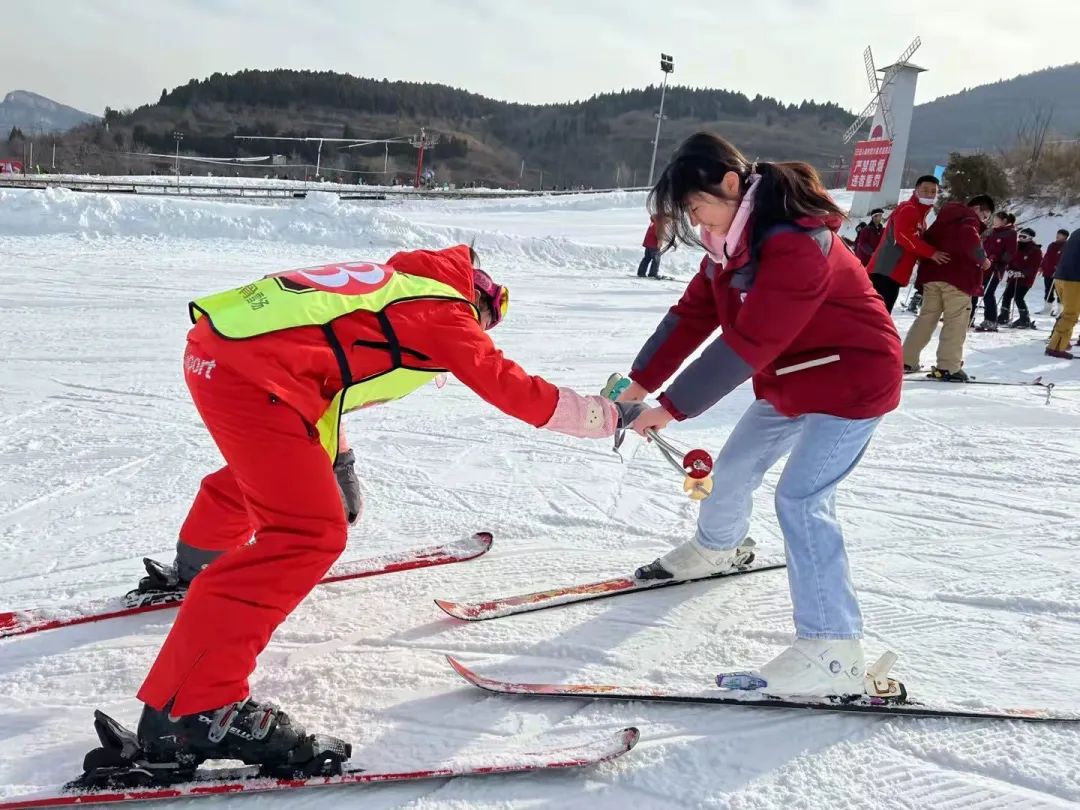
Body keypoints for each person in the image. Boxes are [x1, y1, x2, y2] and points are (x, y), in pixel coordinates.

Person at [115, 245, 638, 773]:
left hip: (223, 354)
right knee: (307, 533)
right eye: (487, 319)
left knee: (272, 478)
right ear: (476, 297)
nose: (483, 331)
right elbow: (517, 391)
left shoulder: (394, 285)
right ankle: (196, 709)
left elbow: (323, 370)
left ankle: (198, 562)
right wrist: (609, 416)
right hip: (250, 377)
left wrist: (338, 460)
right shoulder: (445, 311)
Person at [616, 132, 903, 700]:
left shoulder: (797, 244)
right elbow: (691, 317)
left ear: (729, 184)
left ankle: (834, 650)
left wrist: (669, 408)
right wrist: (636, 384)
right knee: (732, 470)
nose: (696, 222)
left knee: (801, 498)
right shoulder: (728, 246)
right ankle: (718, 547)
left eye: (696, 207)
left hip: (852, 381)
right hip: (791, 383)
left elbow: (750, 341)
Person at [902, 195, 995, 381]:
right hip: (957, 278)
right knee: (956, 321)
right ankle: (948, 366)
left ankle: (906, 359)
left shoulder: (944, 219)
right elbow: (969, 237)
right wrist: (982, 259)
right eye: (985, 216)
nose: (984, 220)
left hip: (933, 276)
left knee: (926, 318)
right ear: (978, 209)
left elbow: (926, 240)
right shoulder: (969, 220)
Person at [865, 175, 949, 313]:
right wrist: (931, 253)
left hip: (895, 273)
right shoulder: (908, 208)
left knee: (880, 314)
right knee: (877, 315)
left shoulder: (922, 219)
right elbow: (903, 236)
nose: (929, 194)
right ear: (916, 190)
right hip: (886, 270)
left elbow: (914, 245)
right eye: (925, 190)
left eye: (933, 191)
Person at [974, 211, 1017, 331]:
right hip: (984, 265)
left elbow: (1011, 252)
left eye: (997, 219)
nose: (994, 221)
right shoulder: (993, 232)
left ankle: (991, 320)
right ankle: (969, 316)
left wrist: (999, 261)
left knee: (988, 293)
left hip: (996, 268)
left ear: (1004, 221)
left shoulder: (1010, 233)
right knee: (975, 290)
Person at [999, 228, 1042, 328]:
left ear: (1030, 238)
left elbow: (1034, 266)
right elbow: (1010, 260)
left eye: (1024, 237)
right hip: (1013, 277)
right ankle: (1004, 316)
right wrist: (1009, 269)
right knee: (1007, 295)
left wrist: (1022, 273)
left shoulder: (1035, 250)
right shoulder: (1016, 247)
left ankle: (1025, 319)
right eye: (1020, 236)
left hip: (1025, 279)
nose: (1021, 238)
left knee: (1019, 297)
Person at [1047, 228, 1080, 359]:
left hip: (1061, 277)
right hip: (1074, 280)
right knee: (1071, 314)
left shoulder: (1077, 232)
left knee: (1069, 311)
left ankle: (1062, 341)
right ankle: (1056, 346)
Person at [1040, 229, 1069, 313]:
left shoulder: (1067, 246)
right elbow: (1046, 257)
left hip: (1059, 273)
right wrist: (1042, 266)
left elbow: (1066, 260)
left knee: (1059, 291)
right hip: (1048, 271)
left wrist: (1060, 268)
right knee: (1048, 289)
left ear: (1065, 237)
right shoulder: (1052, 245)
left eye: (1060, 235)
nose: (1058, 236)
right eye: (1058, 234)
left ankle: (1060, 310)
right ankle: (1047, 308)